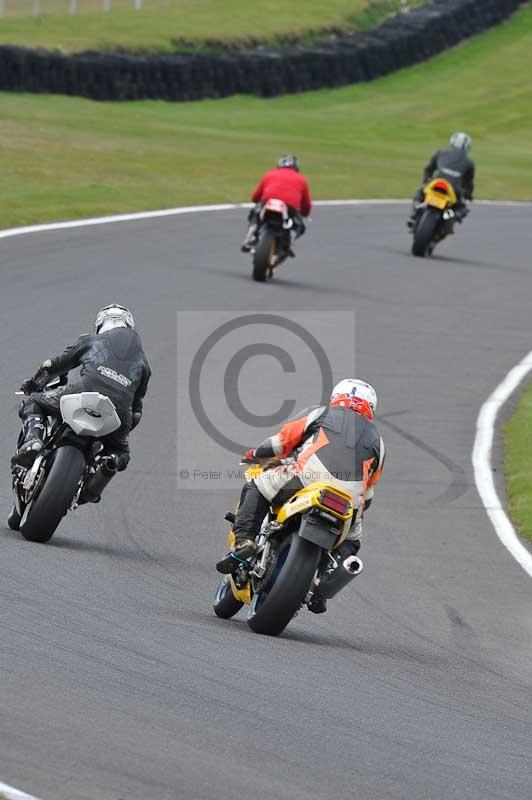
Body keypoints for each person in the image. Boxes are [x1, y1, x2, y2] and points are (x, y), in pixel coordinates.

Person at [216, 379, 385, 614]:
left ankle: (245, 540)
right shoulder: (379, 441)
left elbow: (281, 443)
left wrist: (255, 455)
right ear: (370, 408)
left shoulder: (321, 413)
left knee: (258, 485)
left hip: (306, 478)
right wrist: (355, 509)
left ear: (337, 396)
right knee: (353, 540)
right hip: (348, 498)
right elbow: (369, 491)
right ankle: (322, 582)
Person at [13, 304, 151, 486]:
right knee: (121, 453)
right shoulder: (143, 363)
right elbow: (136, 413)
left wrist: (32, 384)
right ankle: (106, 466)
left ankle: (33, 441)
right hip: (118, 412)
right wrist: (118, 434)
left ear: (101, 324)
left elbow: (51, 366)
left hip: (84, 392)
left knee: (32, 403)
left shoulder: (92, 341)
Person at [241, 155, 312, 252]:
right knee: (299, 226)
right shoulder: (302, 180)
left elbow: (255, 197)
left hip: (267, 202)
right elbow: (306, 205)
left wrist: (258, 201)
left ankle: (251, 236)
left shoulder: (269, 174)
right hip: (290, 206)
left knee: (254, 214)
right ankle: (291, 240)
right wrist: (304, 213)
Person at [408, 132, 475, 229]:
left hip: (437, 182)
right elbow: (468, 183)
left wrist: (426, 181)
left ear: (452, 142)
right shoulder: (469, 162)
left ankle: (414, 213)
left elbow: (429, 169)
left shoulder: (441, 152)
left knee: (421, 191)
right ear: (467, 147)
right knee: (461, 208)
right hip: (454, 187)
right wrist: (468, 195)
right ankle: (449, 216)